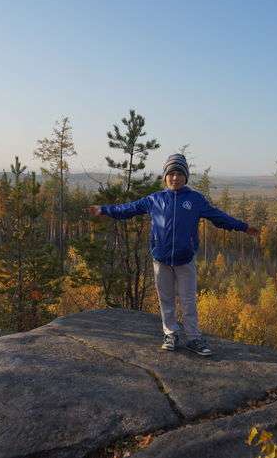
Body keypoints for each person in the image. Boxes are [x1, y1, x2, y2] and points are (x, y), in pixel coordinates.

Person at [86, 153, 259, 356]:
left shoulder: (195, 200)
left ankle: (193, 338)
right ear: (165, 176)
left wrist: (243, 227)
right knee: (166, 299)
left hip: (185, 260)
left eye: (179, 173)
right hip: (161, 259)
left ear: (185, 177)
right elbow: (128, 209)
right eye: (171, 173)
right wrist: (103, 210)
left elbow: (219, 217)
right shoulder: (155, 199)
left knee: (188, 301)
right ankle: (171, 334)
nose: (175, 178)